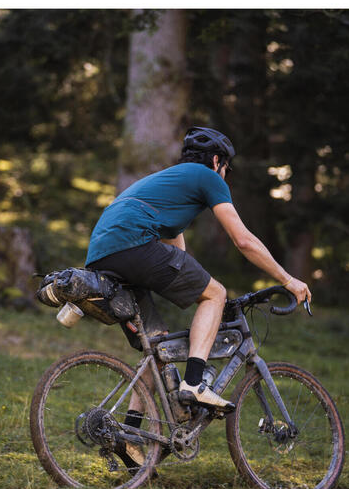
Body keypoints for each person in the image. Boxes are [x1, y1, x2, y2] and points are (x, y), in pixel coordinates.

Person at [86, 126, 311, 413]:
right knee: (216, 293)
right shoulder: (207, 176)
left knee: (158, 348)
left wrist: (199, 287)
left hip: (101, 256)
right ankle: (194, 383)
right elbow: (243, 240)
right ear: (217, 162)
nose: (225, 176)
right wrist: (288, 279)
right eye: (226, 169)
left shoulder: (169, 185)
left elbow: (178, 257)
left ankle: (131, 439)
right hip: (132, 244)